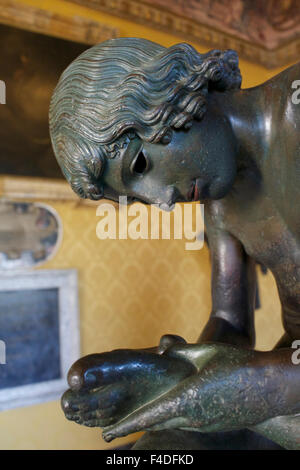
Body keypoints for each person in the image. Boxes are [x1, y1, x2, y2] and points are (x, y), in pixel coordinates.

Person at [49, 38, 300, 449]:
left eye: (140, 164)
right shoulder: (219, 203)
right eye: (140, 197)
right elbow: (230, 325)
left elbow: (261, 375)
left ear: (171, 92)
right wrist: (166, 374)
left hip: (284, 381)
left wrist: (264, 383)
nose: (163, 202)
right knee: (157, 447)